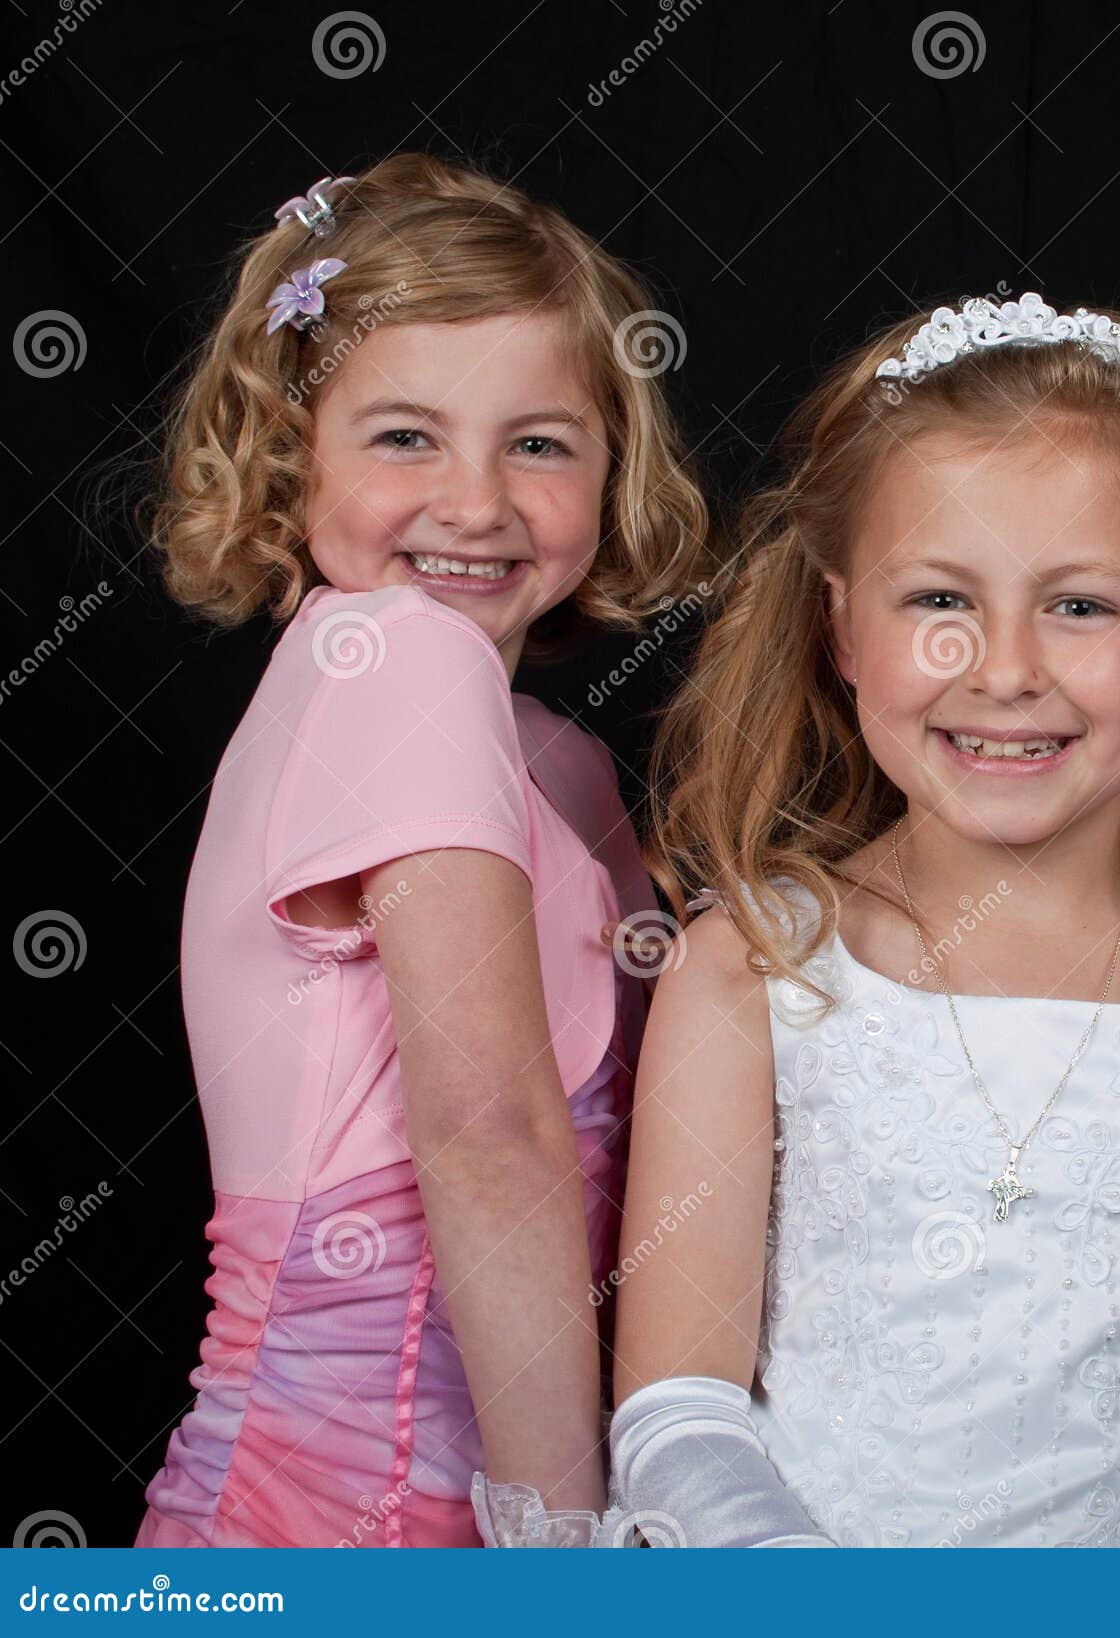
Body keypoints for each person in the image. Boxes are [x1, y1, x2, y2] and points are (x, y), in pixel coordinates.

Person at [607, 292, 1120, 1547]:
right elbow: (676, 1405)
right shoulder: (750, 969)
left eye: (1079, 606)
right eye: (937, 603)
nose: (1005, 667)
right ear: (843, 628)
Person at [133, 155, 708, 1547]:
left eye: (539, 441)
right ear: (291, 452)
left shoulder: (552, 758)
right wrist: (565, 1535)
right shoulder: (395, 663)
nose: (476, 499)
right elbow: (488, 1128)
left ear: (611, 464)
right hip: (344, 1520)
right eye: (404, 437)